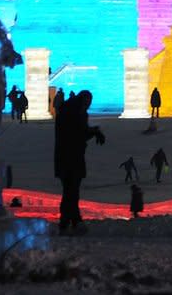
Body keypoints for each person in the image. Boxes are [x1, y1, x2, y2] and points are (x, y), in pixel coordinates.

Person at [53, 90, 105, 235]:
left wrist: (93, 132)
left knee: (71, 191)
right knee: (71, 191)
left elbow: (80, 132)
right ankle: (70, 222)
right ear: (82, 100)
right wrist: (93, 132)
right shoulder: (70, 113)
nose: (88, 106)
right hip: (69, 157)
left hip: (73, 156)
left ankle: (71, 221)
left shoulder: (74, 111)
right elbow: (75, 134)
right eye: (88, 102)